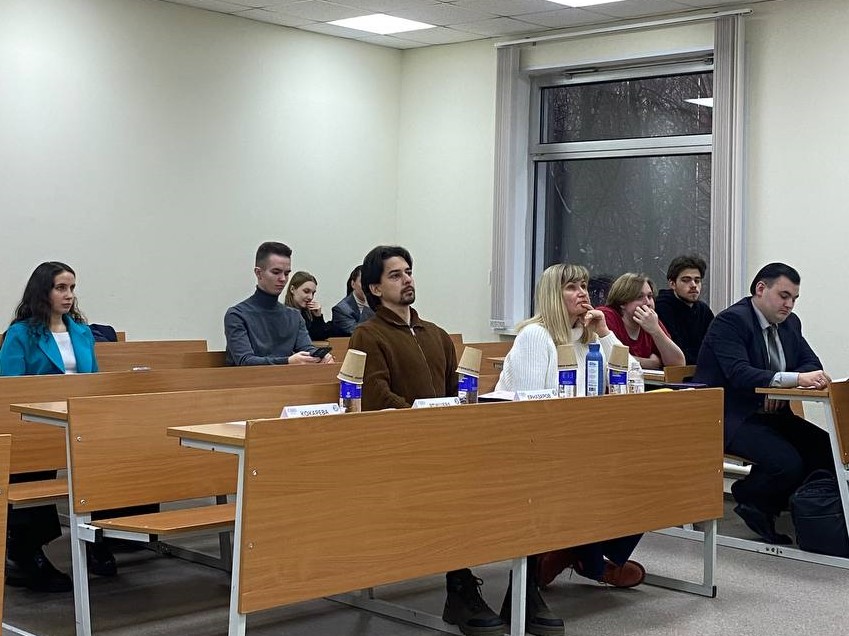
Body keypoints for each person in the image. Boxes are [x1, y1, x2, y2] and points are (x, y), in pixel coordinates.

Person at [350, 246, 560, 636]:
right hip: (404, 449)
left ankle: (524, 589)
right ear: (375, 289)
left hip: (447, 443)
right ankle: (460, 587)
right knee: (455, 489)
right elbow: (376, 396)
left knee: (526, 482)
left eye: (408, 271)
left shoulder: (436, 335)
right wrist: (429, 421)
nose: (407, 279)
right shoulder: (368, 334)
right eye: (395, 275)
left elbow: (459, 393)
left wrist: (459, 421)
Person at [495, 264, 646, 596]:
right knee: (598, 473)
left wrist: (605, 332)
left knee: (644, 471)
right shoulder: (535, 336)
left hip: (579, 442)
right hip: (532, 446)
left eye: (584, 286)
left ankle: (580, 552)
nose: (583, 293)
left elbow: (633, 376)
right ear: (553, 294)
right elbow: (532, 408)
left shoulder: (589, 337)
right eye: (572, 287)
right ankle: (589, 559)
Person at [694, 263, 833, 545]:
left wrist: (780, 386)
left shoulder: (790, 323)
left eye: (794, 298)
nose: (789, 304)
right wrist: (787, 380)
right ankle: (752, 500)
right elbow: (739, 373)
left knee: (826, 450)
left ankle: (796, 510)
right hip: (729, 415)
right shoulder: (731, 322)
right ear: (760, 289)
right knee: (786, 463)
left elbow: (811, 363)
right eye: (784, 296)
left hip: (771, 413)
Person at [0, 262, 112, 592]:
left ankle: (98, 538)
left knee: (110, 460)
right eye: (61, 288)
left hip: (79, 418)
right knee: (34, 471)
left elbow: (93, 380)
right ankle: (25, 550)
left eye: (72, 288)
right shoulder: (21, 334)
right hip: (35, 424)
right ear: (43, 292)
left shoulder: (81, 332)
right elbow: (10, 387)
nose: (69, 295)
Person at [224, 242, 333, 365]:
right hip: (249, 377)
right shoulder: (237, 315)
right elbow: (245, 361)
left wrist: (320, 357)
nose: (283, 279)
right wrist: (287, 361)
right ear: (259, 273)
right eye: (276, 272)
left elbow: (307, 348)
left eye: (286, 273)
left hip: (289, 377)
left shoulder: (294, 316)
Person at [599, 272, 685, 370]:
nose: (648, 303)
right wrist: (652, 363)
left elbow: (678, 364)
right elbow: (610, 358)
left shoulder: (651, 321)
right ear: (622, 302)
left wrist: (656, 331)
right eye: (639, 297)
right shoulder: (606, 316)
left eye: (650, 296)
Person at [655, 255, 715, 365]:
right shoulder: (661, 307)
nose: (693, 285)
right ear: (672, 284)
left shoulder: (703, 310)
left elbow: (715, 344)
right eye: (686, 280)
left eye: (697, 280)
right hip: (674, 371)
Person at [283, 271, 332, 341]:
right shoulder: (284, 315)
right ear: (292, 289)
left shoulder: (308, 314)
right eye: (306, 291)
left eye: (313, 293)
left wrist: (317, 317)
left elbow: (319, 338)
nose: (310, 297)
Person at [331, 265, 374, 336]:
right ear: (353, 284)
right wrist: (367, 304)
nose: (367, 286)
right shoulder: (342, 309)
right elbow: (359, 334)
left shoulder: (381, 302)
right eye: (363, 282)